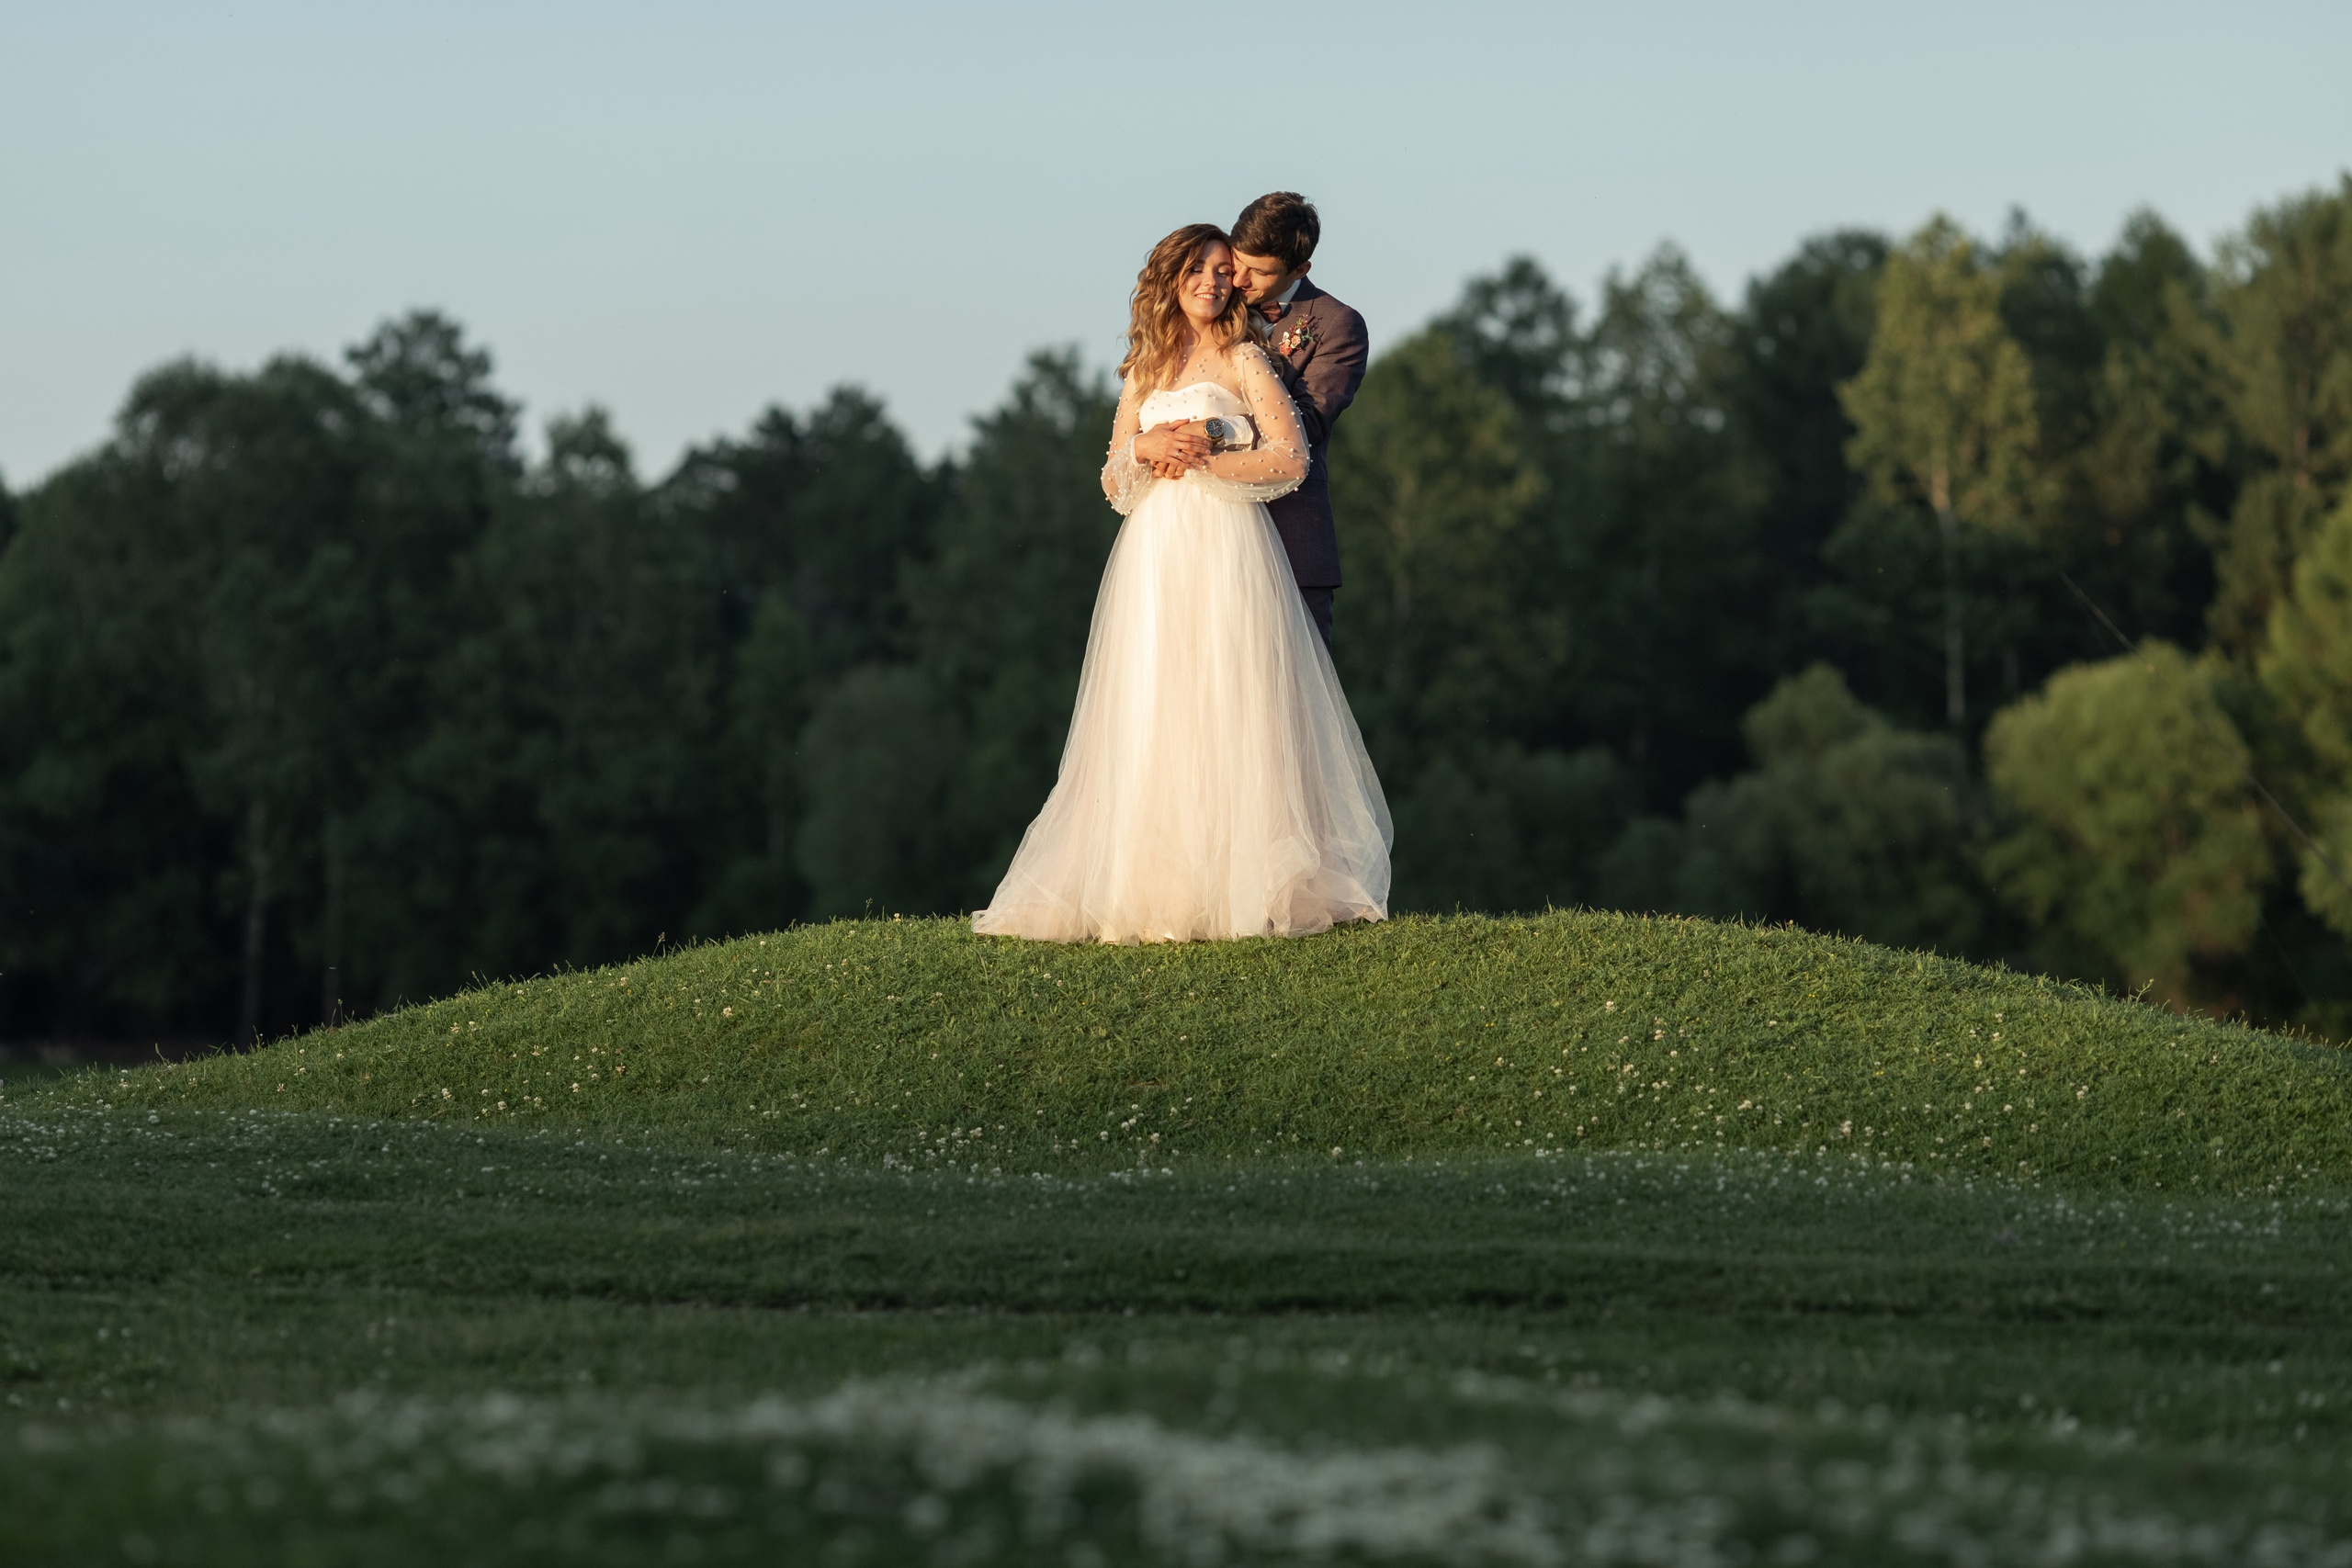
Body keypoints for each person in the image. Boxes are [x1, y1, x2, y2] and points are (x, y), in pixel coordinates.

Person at [970, 224, 1391, 944]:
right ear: (1170, 277)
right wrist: (1146, 444)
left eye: (1225, 270)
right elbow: (1114, 480)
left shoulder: (1244, 357)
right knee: (1157, 704)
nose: (1215, 280)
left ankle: (1244, 879)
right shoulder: (1145, 366)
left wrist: (1206, 456)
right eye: (1199, 267)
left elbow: (1290, 459)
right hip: (1156, 553)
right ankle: (1156, 884)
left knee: (1231, 700)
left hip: (1230, 547)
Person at [1134, 193, 1367, 647]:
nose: (1236, 280)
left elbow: (1307, 425)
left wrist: (1213, 430)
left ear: (1299, 271)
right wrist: (1148, 443)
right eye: (1235, 263)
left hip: (1288, 540)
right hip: (1188, 544)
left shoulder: (1338, 326)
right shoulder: (1211, 301)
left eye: (1257, 272)